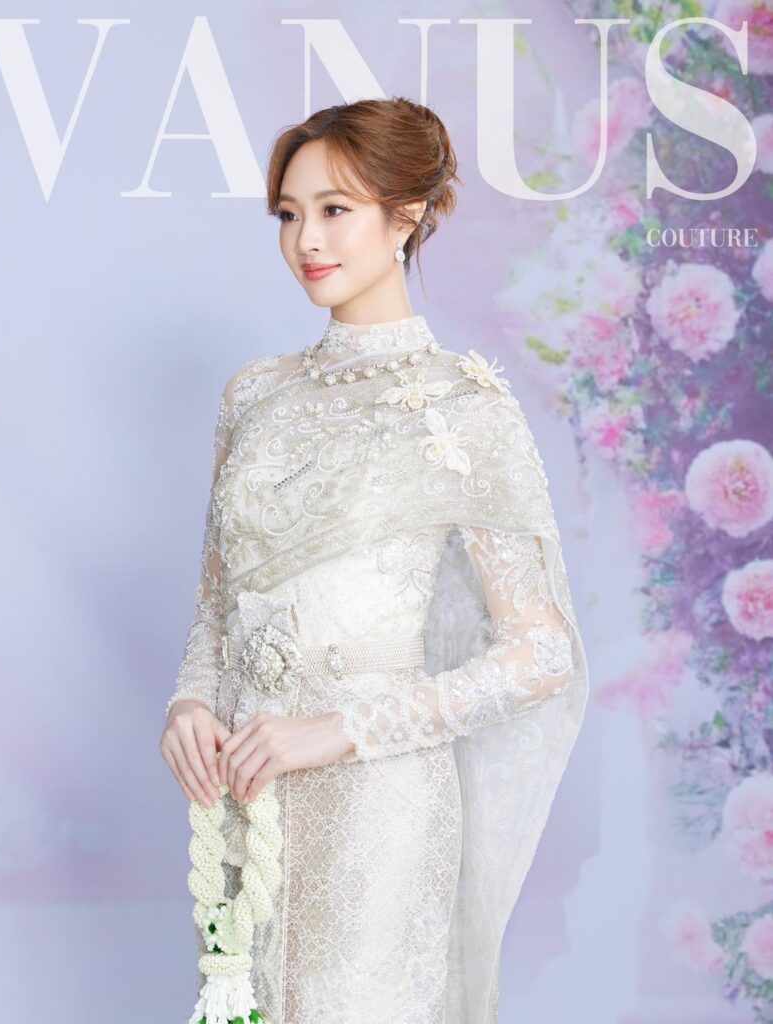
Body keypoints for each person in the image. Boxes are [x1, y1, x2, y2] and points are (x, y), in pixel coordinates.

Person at [159, 97, 589, 1024]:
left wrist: (340, 729)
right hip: (245, 801)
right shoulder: (254, 396)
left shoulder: (463, 406)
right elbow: (216, 607)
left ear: (407, 216)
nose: (305, 240)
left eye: (334, 209)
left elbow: (541, 653)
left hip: (378, 806)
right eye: (288, 213)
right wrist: (188, 705)